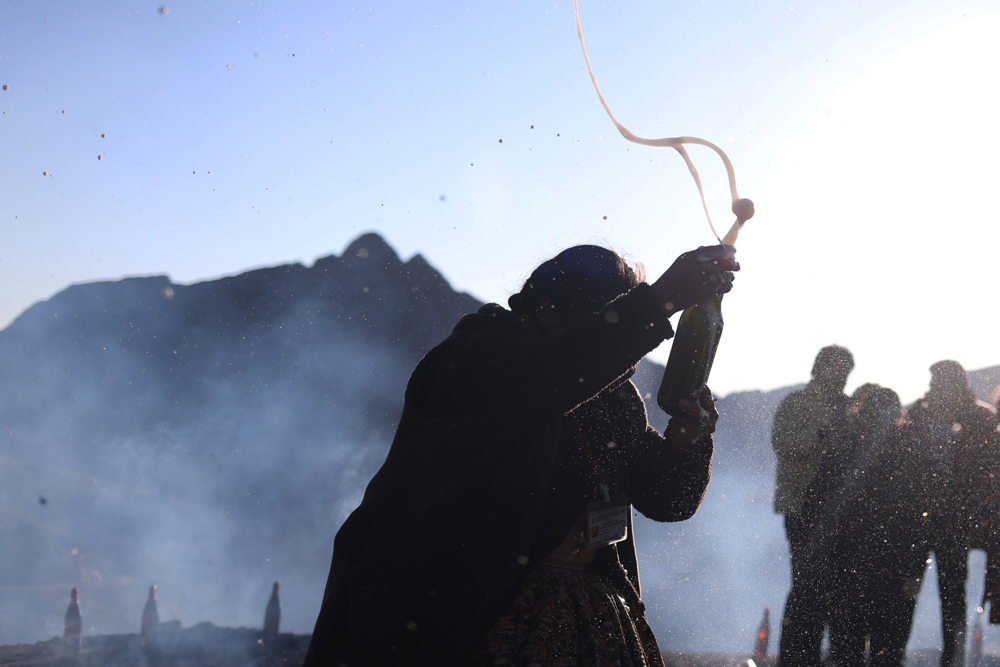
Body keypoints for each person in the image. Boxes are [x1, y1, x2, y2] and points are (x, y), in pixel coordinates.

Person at [302, 243, 739, 666]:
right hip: (464, 604)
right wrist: (661, 299)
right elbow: (545, 377)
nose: (610, 339)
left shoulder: (615, 398)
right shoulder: (475, 354)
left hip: (590, 607)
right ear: (547, 308)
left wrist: (687, 443)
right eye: (603, 314)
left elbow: (668, 502)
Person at [802, 385, 929, 667]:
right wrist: (915, 561)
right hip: (895, 563)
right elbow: (923, 511)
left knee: (847, 644)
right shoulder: (912, 450)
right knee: (889, 647)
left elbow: (815, 501)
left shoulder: (844, 447)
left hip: (847, 561)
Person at [906, 360, 997, 667]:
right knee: (909, 592)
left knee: (951, 594)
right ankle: (892, 655)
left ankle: (952, 660)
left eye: (941, 379)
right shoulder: (920, 414)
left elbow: (987, 468)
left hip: (956, 518)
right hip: (922, 516)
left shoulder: (981, 417)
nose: (935, 385)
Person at [771, 345, 855, 667]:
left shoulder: (850, 407)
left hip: (844, 512)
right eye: (835, 367)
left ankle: (829, 657)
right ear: (818, 368)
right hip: (804, 508)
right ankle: (796, 659)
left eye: (845, 369)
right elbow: (782, 443)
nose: (840, 375)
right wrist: (822, 434)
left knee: (839, 589)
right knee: (808, 588)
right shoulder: (797, 402)